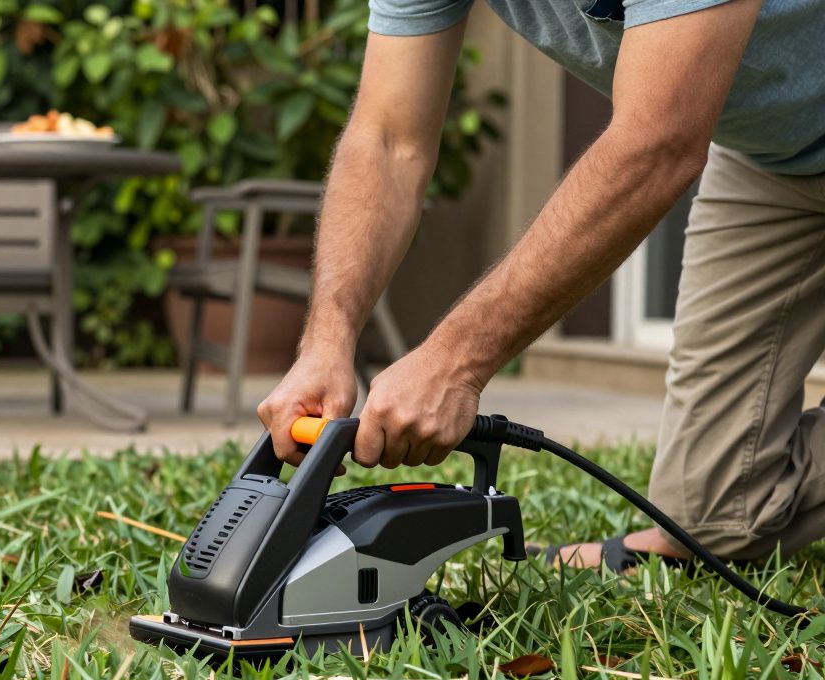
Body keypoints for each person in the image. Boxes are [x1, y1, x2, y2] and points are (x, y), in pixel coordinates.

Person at [257, 0, 825, 571]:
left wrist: (454, 361)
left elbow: (659, 139)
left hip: (719, 140)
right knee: (720, 516)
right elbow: (388, 139)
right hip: (776, 162)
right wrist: (326, 342)